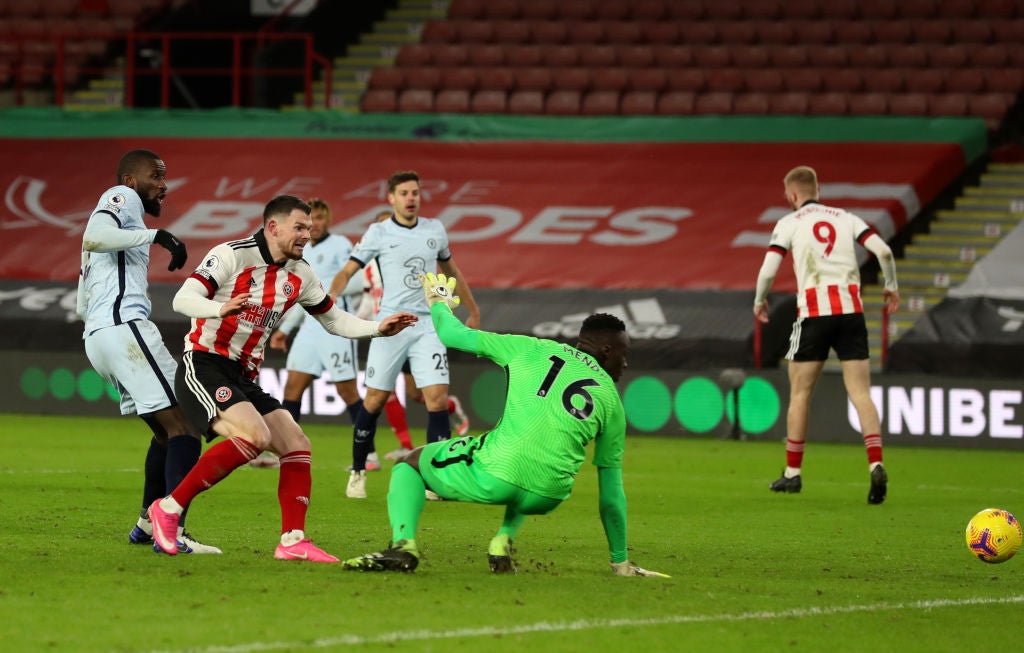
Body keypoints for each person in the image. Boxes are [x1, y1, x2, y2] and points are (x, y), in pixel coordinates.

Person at [146, 195, 417, 562]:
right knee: (255, 436)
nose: (307, 234)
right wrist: (218, 307)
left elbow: (334, 319)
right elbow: (183, 299)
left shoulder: (300, 273)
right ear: (273, 227)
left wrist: (378, 329)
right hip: (205, 363)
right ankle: (169, 507)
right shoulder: (231, 254)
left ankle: (292, 541)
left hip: (243, 374)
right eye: (299, 227)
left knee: (296, 444)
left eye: (309, 227)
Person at [342, 273, 668, 577]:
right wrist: (620, 560)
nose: (625, 363)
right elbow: (612, 494)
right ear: (606, 350)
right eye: (623, 355)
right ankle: (502, 540)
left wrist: (438, 303)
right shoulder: (612, 403)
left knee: (408, 465)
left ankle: (403, 547)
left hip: (498, 476)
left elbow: (452, 334)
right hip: (549, 495)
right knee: (532, 452)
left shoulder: (531, 347)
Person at [77, 149, 220, 555]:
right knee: (187, 425)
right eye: (157, 175)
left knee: (163, 431)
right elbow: (94, 236)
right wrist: (159, 236)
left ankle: (146, 522)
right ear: (130, 181)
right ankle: (172, 531)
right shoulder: (118, 199)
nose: (164, 184)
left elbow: (82, 296)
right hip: (125, 329)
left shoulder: (128, 220)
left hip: (100, 335)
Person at [326, 172, 480, 499]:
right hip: (391, 325)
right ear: (391, 199)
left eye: (415, 192)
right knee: (375, 401)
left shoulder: (434, 229)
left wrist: (472, 308)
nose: (411, 198)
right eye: (404, 193)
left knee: (436, 399)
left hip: (429, 324)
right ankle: (357, 472)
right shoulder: (378, 232)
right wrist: (328, 303)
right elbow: (347, 271)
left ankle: (433, 480)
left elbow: (452, 271)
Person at [753, 165, 899, 505]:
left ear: (791, 195)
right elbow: (885, 252)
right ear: (818, 190)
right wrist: (891, 286)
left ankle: (792, 474)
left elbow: (768, 269)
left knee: (801, 393)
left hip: (815, 313)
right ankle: (876, 463)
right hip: (851, 313)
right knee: (861, 392)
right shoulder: (847, 217)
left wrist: (760, 301)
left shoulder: (789, 223)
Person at [262, 198, 380, 471]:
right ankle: (286, 450)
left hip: (335, 328)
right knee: (292, 388)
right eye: (310, 220)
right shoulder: (299, 252)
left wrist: (328, 291)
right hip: (309, 330)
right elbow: (302, 300)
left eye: (321, 218)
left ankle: (369, 453)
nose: (315, 225)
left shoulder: (340, 245)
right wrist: (284, 330)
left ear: (328, 221)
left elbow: (361, 283)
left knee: (347, 392)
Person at [357, 210, 471, 463]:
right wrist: (356, 324)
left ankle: (450, 408)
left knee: (417, 396)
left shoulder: (413, 263)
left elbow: (439, 287)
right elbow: (368, 300)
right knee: (386, 394)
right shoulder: (368, 269)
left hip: (416, 330)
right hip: (386, 333)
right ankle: (405, 445)